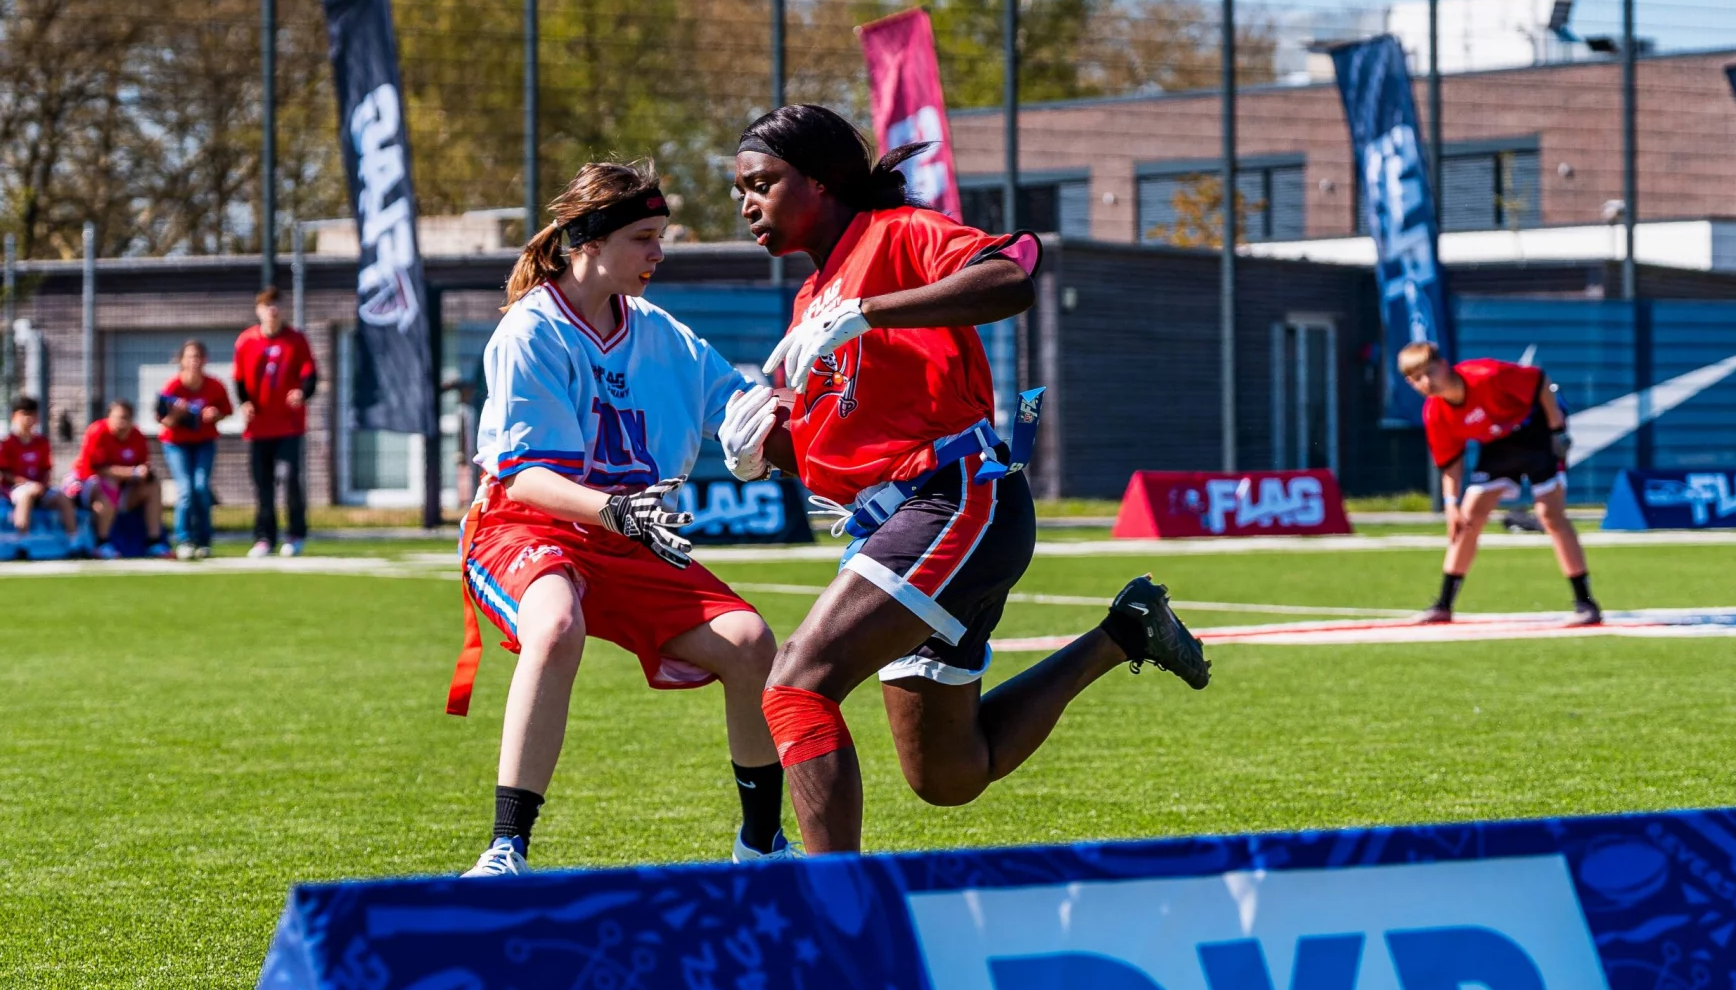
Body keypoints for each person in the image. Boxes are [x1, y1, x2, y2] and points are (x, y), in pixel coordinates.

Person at [721, 104, 1210, 857]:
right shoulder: (807, 300)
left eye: (761, 183)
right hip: (912, 521)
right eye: (741, 191)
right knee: (948, 773)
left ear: (819, 181)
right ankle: (1123, 632)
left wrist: (867, 311)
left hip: (958, 499)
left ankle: (831, 912)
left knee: (795, 684)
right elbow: (846, 457)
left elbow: (1011, 276)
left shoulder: (897, 233)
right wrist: (767, 450)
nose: (746, 203)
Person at [454, 160, 792, 876]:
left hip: (626, 533)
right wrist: (614, 510)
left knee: (751, 642)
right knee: (554, 624)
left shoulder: (662, 333)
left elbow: (737, 409)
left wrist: (783, 431)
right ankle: (505, 849)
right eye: (643, 237)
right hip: (529, 526)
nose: (657, 253)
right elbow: (526, 477)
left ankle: (761, 846)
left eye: (659, 236)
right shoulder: (532, 330)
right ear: (587, 240)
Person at [1400, 341, 1601, 625]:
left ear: (1444, 366)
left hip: (1536, 430)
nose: (1425, 382)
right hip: (1498, 443)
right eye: (1416, 378)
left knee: (1550, 515)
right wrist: (1450, 505)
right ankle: (1443, 605)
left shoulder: (1486, 375)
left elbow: (1539, 381)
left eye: (1429, 372)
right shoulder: (1435, 412)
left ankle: (1586, 604)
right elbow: (1451, 462)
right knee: (1467, 517)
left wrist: (1557, 429)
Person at [233, 286, 316, 558]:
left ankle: (295, 533)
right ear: (258, 310)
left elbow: (310, 374)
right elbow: (240, 380)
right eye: (267, 305)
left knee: (290, 478)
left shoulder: (296, 340)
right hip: (259, 427)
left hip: (289, 426)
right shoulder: (246, 341)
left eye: (277, 304)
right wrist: (244, 403)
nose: (273, 310)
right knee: (263, 483)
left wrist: (302, 393)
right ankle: (264, 537)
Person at [156, 340, 233, 560]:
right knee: (186, 489)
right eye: (189, 357)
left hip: (204, 441)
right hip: (176, 443)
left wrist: (214, 414)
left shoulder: (215, 385)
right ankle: (184, 539)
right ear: (181, 361)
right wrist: (178, 414)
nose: (194, 362)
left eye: (198, 357)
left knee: (200, 487)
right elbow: (164, 421)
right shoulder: (172, 387)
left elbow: (226, 411)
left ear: (205, 360)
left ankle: (204, 540)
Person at [68, 399, 167, 559]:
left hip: (124, 490)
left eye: (126, 417)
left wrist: (144, 473)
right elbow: (99, 470)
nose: (122, 422)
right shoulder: (97, 432)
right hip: (88, 486)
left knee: (152, 485)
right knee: (109, 485)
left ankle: (154, 542)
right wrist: (132, 472)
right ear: (109, 418)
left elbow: (142, 466)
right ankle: (102, 542)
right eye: (119, 417)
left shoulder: (137, 436)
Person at [1, 395, 76, 540]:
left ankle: (74, 540)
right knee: (26, 496)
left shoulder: (42, 443)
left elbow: (46, 469)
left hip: (40, 489)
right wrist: (27, 484)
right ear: (14, 416)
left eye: (32, 414)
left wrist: (42, 485)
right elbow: (4, 473)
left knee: (64, 498)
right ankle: (22, 540)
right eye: (24, 414)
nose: (28, 419)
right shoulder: (7, 443)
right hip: (14, 489)